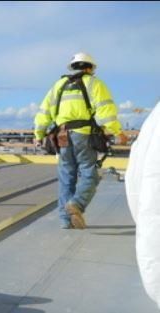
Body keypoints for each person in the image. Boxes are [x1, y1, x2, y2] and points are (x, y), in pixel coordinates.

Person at [34, 52, 128, 229]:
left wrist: (38, 134)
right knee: (89, 174)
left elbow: (44, 112)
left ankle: (65, 220)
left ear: (73, 67)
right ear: (90, 68)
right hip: (83, 135)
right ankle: (77, 203)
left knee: (66, 178)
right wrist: (118, 132)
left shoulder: (59, 85)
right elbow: (105, 113)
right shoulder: (95, 83)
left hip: (61, 136)